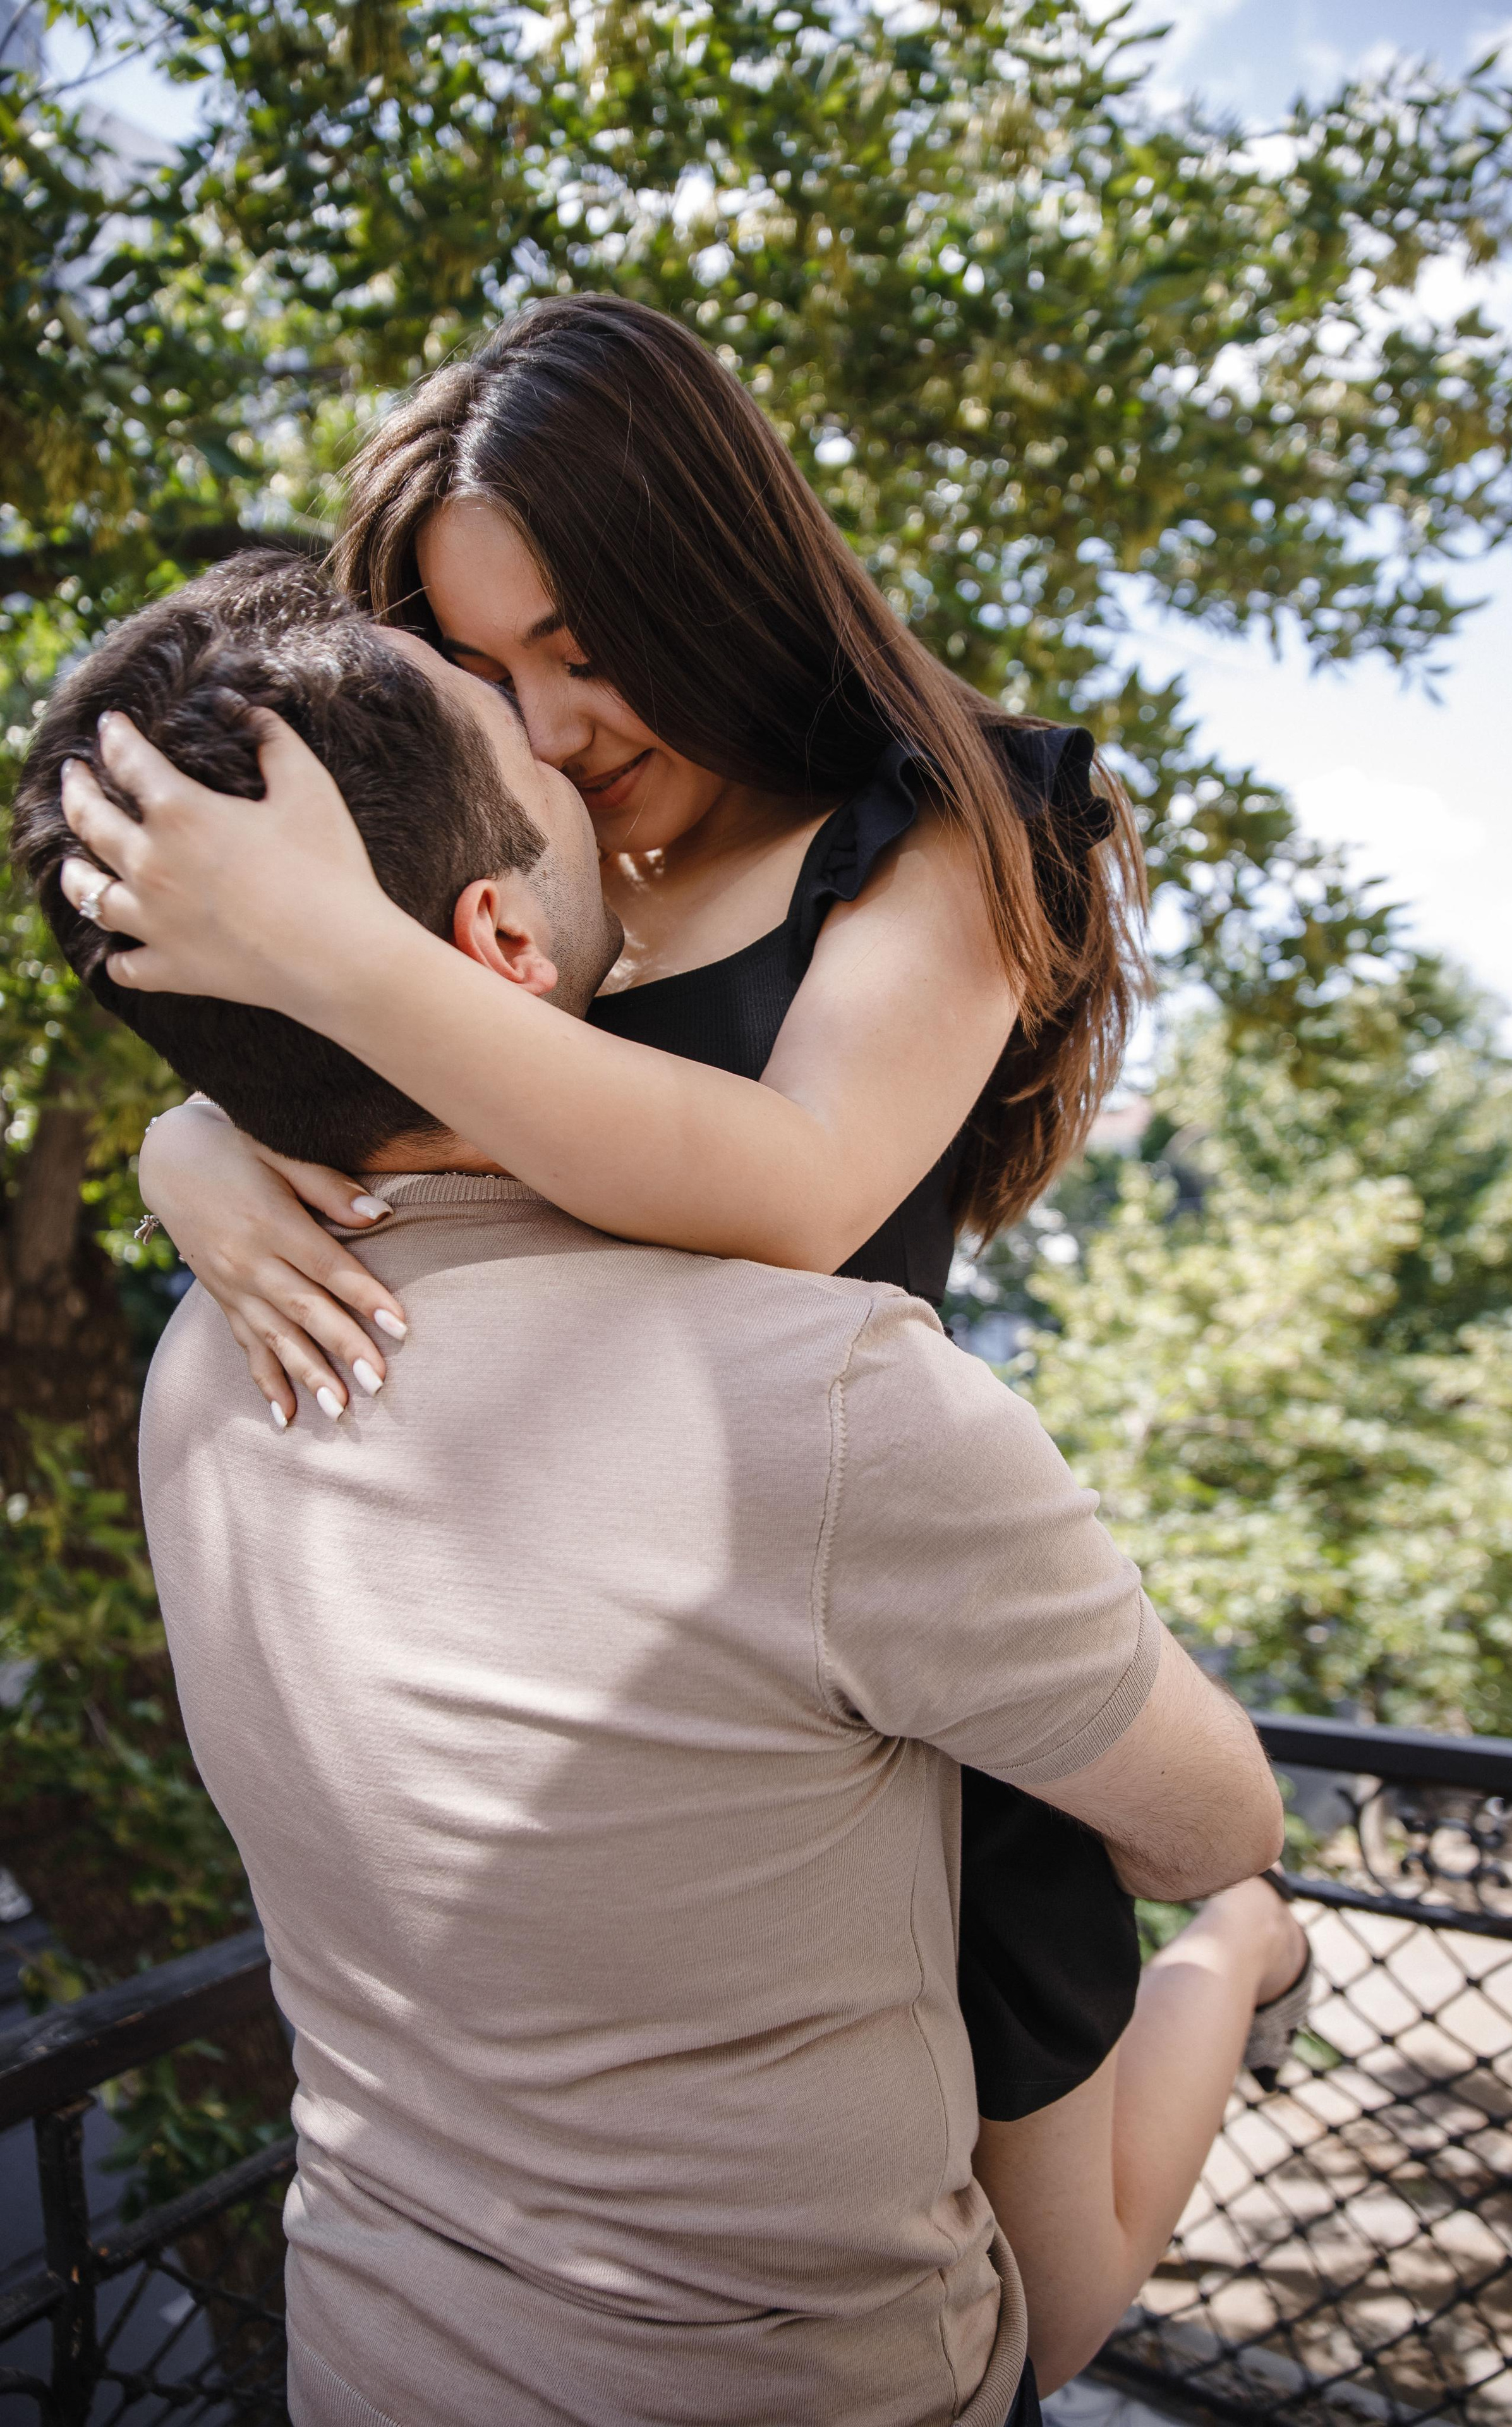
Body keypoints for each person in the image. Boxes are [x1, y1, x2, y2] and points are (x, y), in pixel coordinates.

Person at [20, 556, 1310, 2423]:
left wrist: (204, 1120)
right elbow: (1212, 1817)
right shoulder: (829, 1401)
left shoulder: (202, 1368)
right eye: (506, 726)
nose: (567, 752)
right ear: (498, 939)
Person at [42, 298, 1170, 2159]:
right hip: (608, 1721)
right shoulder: (525, 845)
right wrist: (200, 1133)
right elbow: (351, 1103)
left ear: (716, 573)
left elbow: (796, 1185)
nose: (553, 723)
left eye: (587, 643)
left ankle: (1248, 1960)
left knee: (1026, 2305)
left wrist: (326, 947)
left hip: (872, 1653)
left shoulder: (940, 830)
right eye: (483, 665)